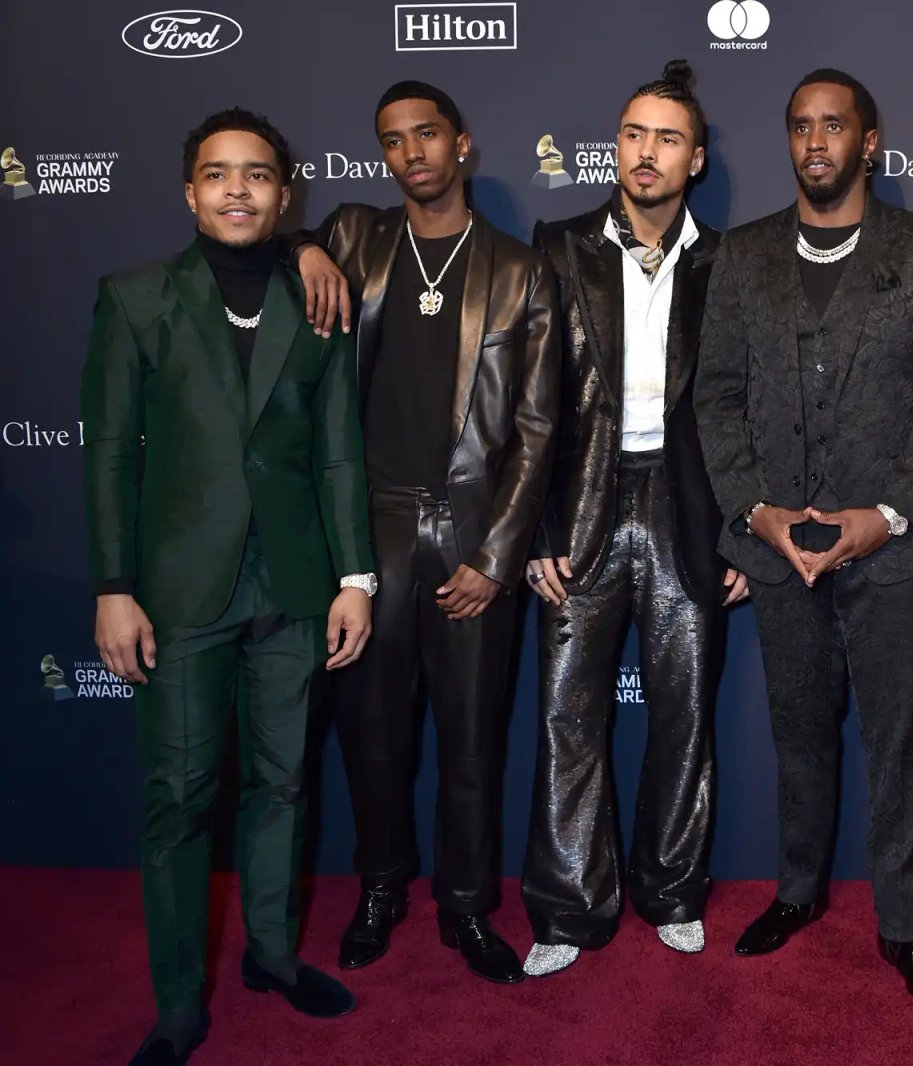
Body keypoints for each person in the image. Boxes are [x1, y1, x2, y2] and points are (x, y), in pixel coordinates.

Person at [83, 108, 375, 1065]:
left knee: (283, 785)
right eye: (217, 174)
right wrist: (114, 585)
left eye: (257, 175)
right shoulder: (133, 300)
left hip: (295, 584)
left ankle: (275, 955)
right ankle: (177, 1004)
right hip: (176, 592)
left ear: (284, 193)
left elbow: (338, 453)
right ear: (188, 191)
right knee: (178, 796)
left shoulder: (319, 302)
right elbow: (109, 458)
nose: (237, 189)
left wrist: (355, 578)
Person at [695, 68, 913, 1010]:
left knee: (898, 744)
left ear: (869, 141)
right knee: (799, 734)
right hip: (778, 548)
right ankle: (798, 891)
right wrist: (757, 514)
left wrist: (888, 516)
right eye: (800, 127)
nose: (815, 142)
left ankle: (902, 929)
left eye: (834, 126)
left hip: (887, 552)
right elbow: (718, 398)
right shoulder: (741, 256)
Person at [288, 81, 560, 985]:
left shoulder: (520, 269)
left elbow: (535, 429)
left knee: (474, 737)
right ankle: (378, 890)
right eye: (393, 140)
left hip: (474, 530)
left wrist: (495, 554)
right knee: (373, 734)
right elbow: (270, 237)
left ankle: (469, 906)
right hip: (372, 531)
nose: (411, 152)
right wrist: (301, 247)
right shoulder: (357, 239)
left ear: (463, 143)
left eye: (427, 135)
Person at [519, 60, 745, 977]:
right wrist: (533, 532)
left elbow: (744, 408)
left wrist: (743, 528)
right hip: (582, 505)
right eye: (632, 134)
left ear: (694, 159)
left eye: (666, 139)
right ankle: (570, 908)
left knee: (684, 715)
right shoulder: (558, 244)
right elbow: (528, 406)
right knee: (567, 715)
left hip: (686, 506)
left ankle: (674, 891)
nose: (645, 154)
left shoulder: (727, 263)